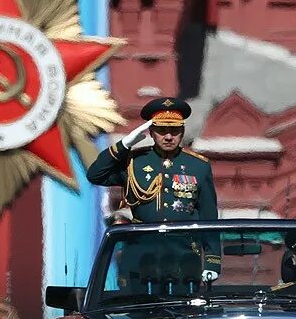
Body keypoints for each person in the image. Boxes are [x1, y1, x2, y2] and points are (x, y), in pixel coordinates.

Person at [87, 97, 220, 284]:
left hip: (184, 258)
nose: (168, 136)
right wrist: (124, 144)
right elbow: (95, 175)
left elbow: (209, 217)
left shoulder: (198, 166)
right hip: (140, 257)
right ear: (151, 132)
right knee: (136, 309)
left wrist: (213, 262)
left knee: (185, 311)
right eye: (161, 130)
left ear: (182, 131)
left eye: (174, 131)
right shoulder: (134, 162)